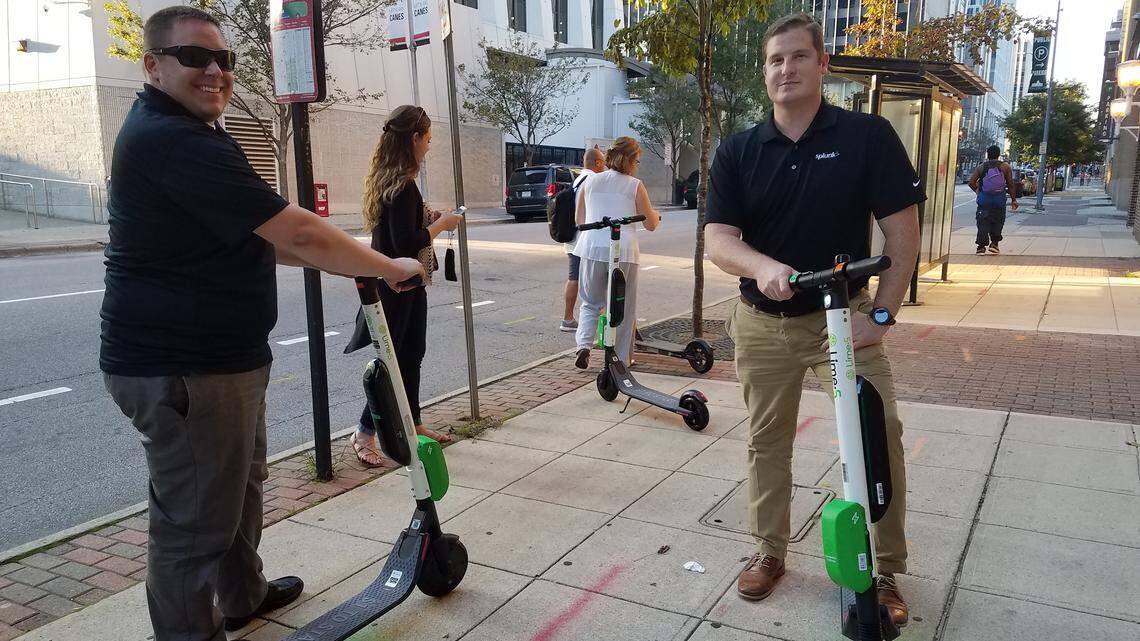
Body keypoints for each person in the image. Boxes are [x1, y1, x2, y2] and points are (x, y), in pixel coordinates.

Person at [100, 7, 425, 641]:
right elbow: (298, 228)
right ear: (153, 65)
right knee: (194, 524)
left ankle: (242, 594)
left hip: (221, 359)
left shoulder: (197, 131)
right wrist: (387, 265)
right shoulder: (170, 140)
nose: (215, 70)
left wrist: (350, 262)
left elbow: (268, 235)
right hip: (185, 368)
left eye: (224, 59)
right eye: (195, 57)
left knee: (240, 486)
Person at [704, 13, 921, 627]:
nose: (786, 70)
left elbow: (901, 229)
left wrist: (881, 312)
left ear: (824, 65)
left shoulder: (867, 136)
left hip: (843, 323)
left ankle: (883, 569)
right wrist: (763, 265)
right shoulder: (740, 150)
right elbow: (718, 240)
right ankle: (770, 551)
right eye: (775, 60)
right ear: (764, 70)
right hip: (762, 324)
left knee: (879, 439)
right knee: (766, 442)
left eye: (799, 57)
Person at [343, 106, 462, 467]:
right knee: (391, 365)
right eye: (426, 140)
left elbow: (405, 223)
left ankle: (414, 424)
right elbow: (405, 242)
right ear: (413, 139)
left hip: (406, 287)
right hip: (393, 291)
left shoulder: (393, 181)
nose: (429, 147)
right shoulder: (402, 186)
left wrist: (432, 215)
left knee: (410, 358)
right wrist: (444, 225)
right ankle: (363, 434)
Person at [571, 137, 660, 369]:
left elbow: (579, 220)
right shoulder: (634, 185)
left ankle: (584, 346)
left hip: (591, 247)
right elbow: (650, 224)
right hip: (624, 251)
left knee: (590, 302)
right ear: (631, 160)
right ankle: (620, 360)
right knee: (623, 306)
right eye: (637, 161)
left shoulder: (590, 182)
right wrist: (655, 216)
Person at [560, 145, 606, 332]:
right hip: (584, 240)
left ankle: (569, 318)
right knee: (582, 280)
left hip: (574, 238)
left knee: (575, 278)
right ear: (597, 162)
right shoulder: (593, 180)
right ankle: (570, 320)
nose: (604, 166)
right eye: (603, 161)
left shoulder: (579, 179)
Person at [968, 145, 1018, 255]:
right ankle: (994, 244)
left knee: (982, 221)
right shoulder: (1005, 167)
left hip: (984, 199)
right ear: (998, 154)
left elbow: (971, 182)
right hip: (999, 199)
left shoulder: (981, 167)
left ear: (988, 154)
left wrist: (978, 191)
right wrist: (1014, 200)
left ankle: (981, 247)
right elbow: (1010, 184)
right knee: (998, 220)